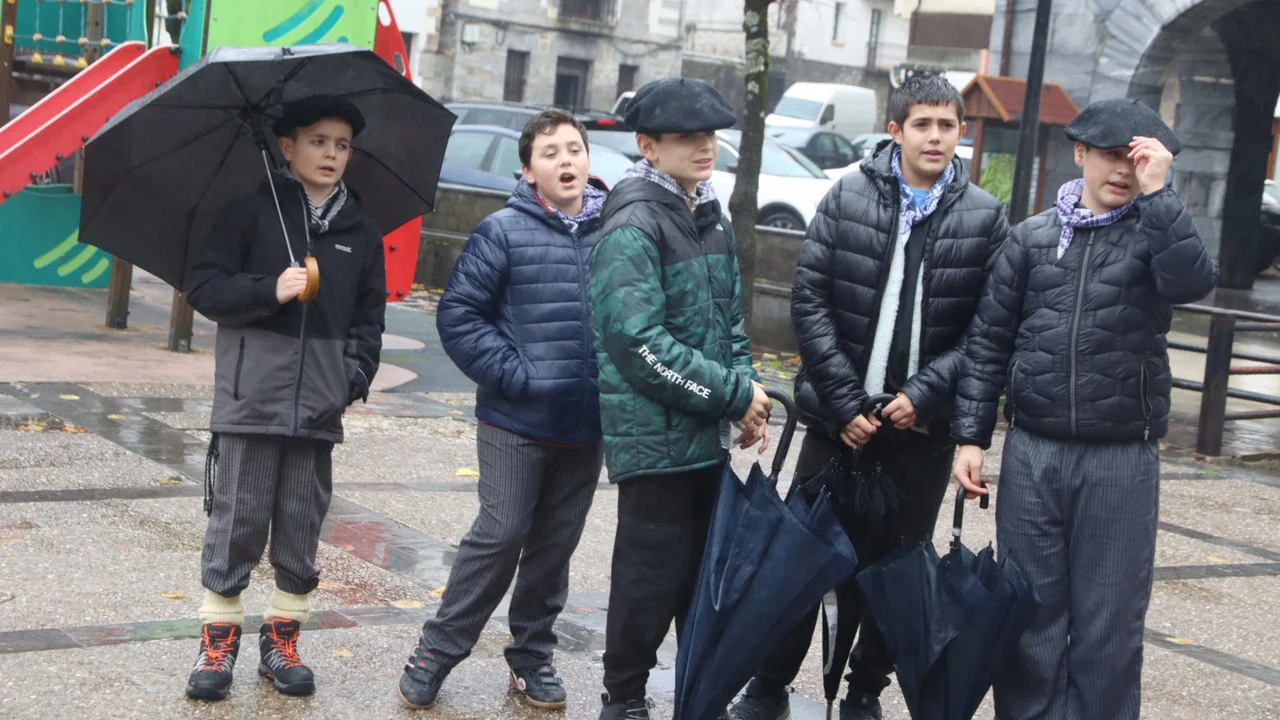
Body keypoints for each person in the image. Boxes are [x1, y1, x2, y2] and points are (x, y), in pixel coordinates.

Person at [730, 73, 1009, 720]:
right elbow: (810, 298)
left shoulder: (984, 217)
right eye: (922, 124)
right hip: (838, 424)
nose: (935, 137)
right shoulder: (847, 194)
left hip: (920, 434)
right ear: (895, 131)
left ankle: (864, 690)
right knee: (801, 557)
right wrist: (843, 401)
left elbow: (988, 329)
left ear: (960, 133)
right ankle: (769, 684)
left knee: (897, 568)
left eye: (946, 125)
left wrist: (925, 395)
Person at [951, 98, 1218, 720]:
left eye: (1135, 158)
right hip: (1034, 451)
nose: (1121, 169)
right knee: (1030, 618)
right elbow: (989, 342)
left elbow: (1192, 281)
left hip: (1121, 459)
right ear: (1080, 153)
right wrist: (970, 437)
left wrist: (1159, 195)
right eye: (1109, 155)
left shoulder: (1154, 235)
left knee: (1110, 625)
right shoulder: (1032, 239)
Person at [397, 109, 608, 711]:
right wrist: (517, 376)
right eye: (551, 153)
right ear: (528, 170)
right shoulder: (502, 231)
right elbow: (460, 316)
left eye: (574, 149)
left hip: (587, 424)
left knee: (555, 546)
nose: (565, 161)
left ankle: (531, 656)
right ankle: (437, 650)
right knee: (501, 532)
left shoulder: (617, 232)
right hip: (515, 421)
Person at [182, 95, 386, 701]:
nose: (331, 154)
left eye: (342, 145)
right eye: (318, 141)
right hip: (251, 397)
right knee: (238, 519)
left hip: (319, 405)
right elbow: (205, 288)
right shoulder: (248, 212)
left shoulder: (360, 232)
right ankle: (218, 642)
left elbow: (369, 320)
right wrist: (268, 288)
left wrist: (350, 379)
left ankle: (282, 639)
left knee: (301, 522)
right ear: (287, 147)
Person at [589, 77, 772, 720]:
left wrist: (748, 391)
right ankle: (625, 700)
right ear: (648, 146)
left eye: (710, 135)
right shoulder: (633, 224)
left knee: (702, 581)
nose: (705, 146)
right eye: (687, 137)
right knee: (648, 581)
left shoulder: (709, 214)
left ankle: (697, 696)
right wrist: (731, 393)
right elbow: (638, 345)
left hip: (703, 439)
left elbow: (730, 320)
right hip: (655, 443)